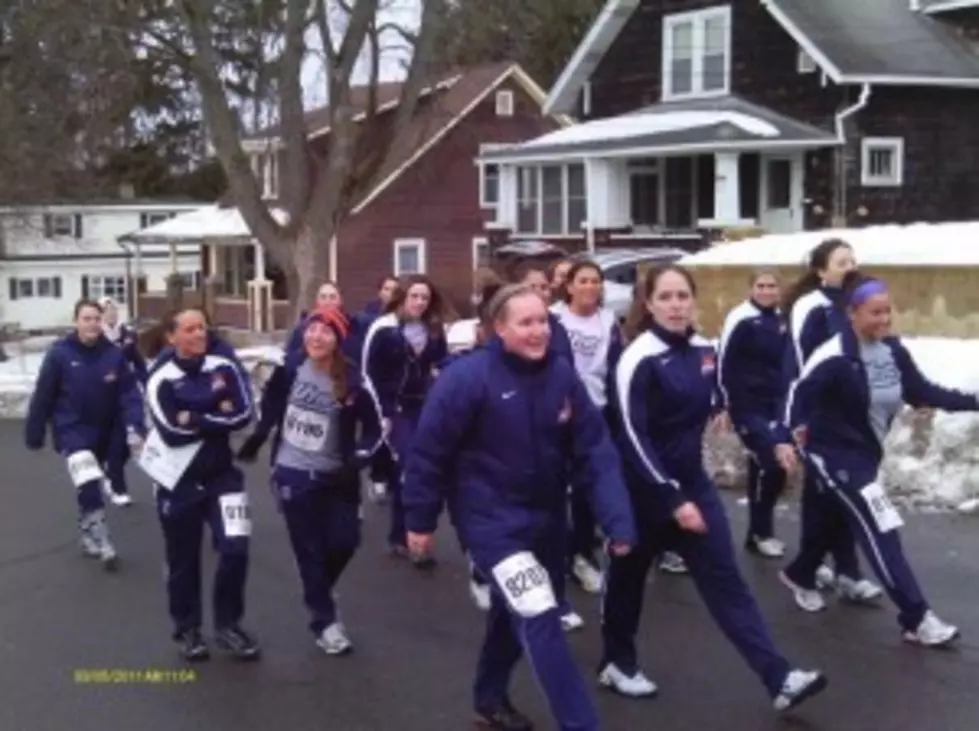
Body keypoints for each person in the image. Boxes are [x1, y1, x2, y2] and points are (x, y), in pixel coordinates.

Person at [402, 283, 637, 731]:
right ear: (497, 329)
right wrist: (419, 518)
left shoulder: (563, 377)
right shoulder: (466, 379)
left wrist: (617, 518)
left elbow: (595, 451)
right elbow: (428, 453)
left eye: (542, 321)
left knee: (510, 617)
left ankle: (489, 700)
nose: (538, 332)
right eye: (525, 323)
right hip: (490, 522)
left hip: (547, 518)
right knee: (539, 614)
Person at [600, 264, 827, 712]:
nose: (676, 305)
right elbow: (630, 435)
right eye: (665, 297)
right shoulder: (637, 358)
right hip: (641, 490)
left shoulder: (704, 349)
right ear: (648, 304)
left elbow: (724, 392)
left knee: (726, 583)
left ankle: (779, 678)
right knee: (627, 581)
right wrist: (670, 498)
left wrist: (772, 433)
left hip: (692, 484)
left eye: (683, 295)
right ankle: (617, 663)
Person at [781, 272, 975, 646]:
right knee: (880, 527)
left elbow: (922, 391)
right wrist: (787, 435)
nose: (884, 320)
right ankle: (916, 617)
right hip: (833, 454)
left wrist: (973, 401)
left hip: (865, 455)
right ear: (852, 313)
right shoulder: (835, 356)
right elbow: (797, 396)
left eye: (888, 312)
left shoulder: (893, 351)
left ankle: (802, 573)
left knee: (829, 523)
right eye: (875, 313)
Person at [236, 307, 382, 655]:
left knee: (345, 541)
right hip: (293, 473)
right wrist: (258, 438)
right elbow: (271, 406)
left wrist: (359, 459)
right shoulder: (289, 368)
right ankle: (325, 621)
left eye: (326, 332)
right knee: (309, 550)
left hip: (337, 475)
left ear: (338, 339)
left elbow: (377, 429)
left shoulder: (353, 379)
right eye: (311, 330)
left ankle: (318, 588)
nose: (316, 337)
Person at [143, 307, 259, 662]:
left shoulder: (222, 367)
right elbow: (173, 433)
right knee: (183, 558)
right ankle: (188, 628)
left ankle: (228, 624)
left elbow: (243, 415)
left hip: (223, 477)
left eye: (203, 328)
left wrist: (194, 416)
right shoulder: (160, 379)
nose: (199, 335)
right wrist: (216, 415)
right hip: (178, 481)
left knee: (236, 547)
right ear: (172, 337)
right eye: (190, 329)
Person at [782, 239, 882, 606]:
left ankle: (844, 570)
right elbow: (803, 361)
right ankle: (810, 572)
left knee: (841, 495)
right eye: (841, 261)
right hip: (819, 413)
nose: (850, 265)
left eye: (853, 259)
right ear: (821, 270)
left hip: (852, 414)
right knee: (823, 495)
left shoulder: (854, 303)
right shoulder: (811, 306)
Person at [25, 299, 146, 570]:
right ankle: (103, 540)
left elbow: (129, 394)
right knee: (89, 480)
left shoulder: (114, 355)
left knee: (89, 482)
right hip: (72, 430)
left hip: (106, 430)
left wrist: (135, 424)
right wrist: (34, 432)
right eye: (86, 318)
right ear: (76, 321)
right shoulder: (60, 354)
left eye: (96, 319)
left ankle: (87, 531)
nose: (92, 324)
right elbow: (44, 394)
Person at [361, 274, 449, 567]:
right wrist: (381, 414)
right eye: (415, 296)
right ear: (402, 297)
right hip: (394, 409)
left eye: (425, 297)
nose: (420, 302)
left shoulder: (432, 329)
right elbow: (368, 374)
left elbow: (442, 362)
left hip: (424, 407)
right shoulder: (383, 329)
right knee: (411, 467)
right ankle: (408, 538)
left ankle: (408, 533)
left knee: (423, 470)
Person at [551, 260, 623, 594]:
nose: (591, 287)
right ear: (569, 286)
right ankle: (552, 552)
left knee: (585, 488)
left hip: (596, 409)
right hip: (557, 412)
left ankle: (582, 555)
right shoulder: (554, 318)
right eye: (584, 281)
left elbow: (616, 368)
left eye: (596, 281)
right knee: (551, 486)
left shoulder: (608, 322)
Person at [717, 270, 789, 557]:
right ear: (751, 289)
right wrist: (722, 402)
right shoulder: (741, 318)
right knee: (771, 462)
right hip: (747, 405)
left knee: (772, 467)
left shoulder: (782, 319)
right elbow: (724, 361)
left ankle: (758, 532)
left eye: (772, 286)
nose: (767, 291)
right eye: (761, 286)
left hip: (776, 405)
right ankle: (761, 532)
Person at [349, 275, 399, 497]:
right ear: (380, 292)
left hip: (395, 383)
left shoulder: (401, 320)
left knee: (394, 430)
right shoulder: (366, 318)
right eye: (387, 289)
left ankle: (391, 474)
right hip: (371, 381)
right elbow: (360, 349)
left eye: (395, 289)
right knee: (377, 428)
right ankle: (377, 475)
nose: (391, 293)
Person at [99, 296, 148, 507]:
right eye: (107, 309)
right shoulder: (97, 337)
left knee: (132, 440)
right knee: (116, 442)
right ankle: (118, 488)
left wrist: (147, 383)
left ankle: (111, 472)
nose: (111, 313)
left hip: (128, 393)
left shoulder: (128, 335)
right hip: (105, 395)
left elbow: (138, 361)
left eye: (114, 309)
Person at [516, 262, 573, 362]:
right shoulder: (508, 325)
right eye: (532, 287)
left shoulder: (558, 328)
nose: (539, 292)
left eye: (544, 287)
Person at [285, 281, 351, 355]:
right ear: (317, 301)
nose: (327, 302)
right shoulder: (303, 328)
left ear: (340, 301)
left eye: (332, 297)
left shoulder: (350, 326)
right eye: (323, 297)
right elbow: (291, 355)